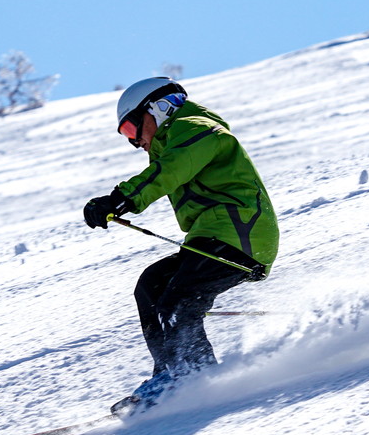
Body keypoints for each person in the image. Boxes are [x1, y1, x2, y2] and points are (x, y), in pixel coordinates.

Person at [83, 77, 279, 417]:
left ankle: (191, 377)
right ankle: (170, 372)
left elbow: (170, 170)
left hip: (240, 234)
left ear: (159, 108)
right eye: (128, 137)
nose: (136, 142)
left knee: (179, 300)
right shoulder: (175, 138)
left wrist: (121, 198)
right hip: (213, 235)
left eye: (132, 129)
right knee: (152, 285)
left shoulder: (196, 128)